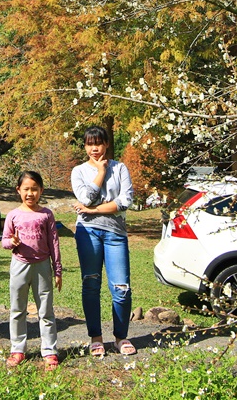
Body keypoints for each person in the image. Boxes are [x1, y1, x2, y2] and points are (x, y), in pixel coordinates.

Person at [71, 125, 136, 357]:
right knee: (91, 283)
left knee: (121, 288)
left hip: (115, 234)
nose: (94, 148)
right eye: (89, 144)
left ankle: (121, 337)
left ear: (106, 144)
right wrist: (99, 172)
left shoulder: (120, 168)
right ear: (85, 146)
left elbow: (125, 201)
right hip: (88, 233)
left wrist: (93, 209)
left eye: (98, 143)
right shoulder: (78, 171)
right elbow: (84, 197)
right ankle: (96, 338)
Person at [1, 171, 63, 370]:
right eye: (26, 189)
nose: (30, 193)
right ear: (18, 190)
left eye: (34, 189)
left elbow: (54, 242)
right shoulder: (13, 215)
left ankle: (49, 350)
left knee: (46, 310)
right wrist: (12, 241)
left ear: (41, 190)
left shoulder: (46, 214)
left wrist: (57, 270)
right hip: (19, 265)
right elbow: (4, 241)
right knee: (17, 309)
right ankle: (17, 349)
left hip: (43, 266)